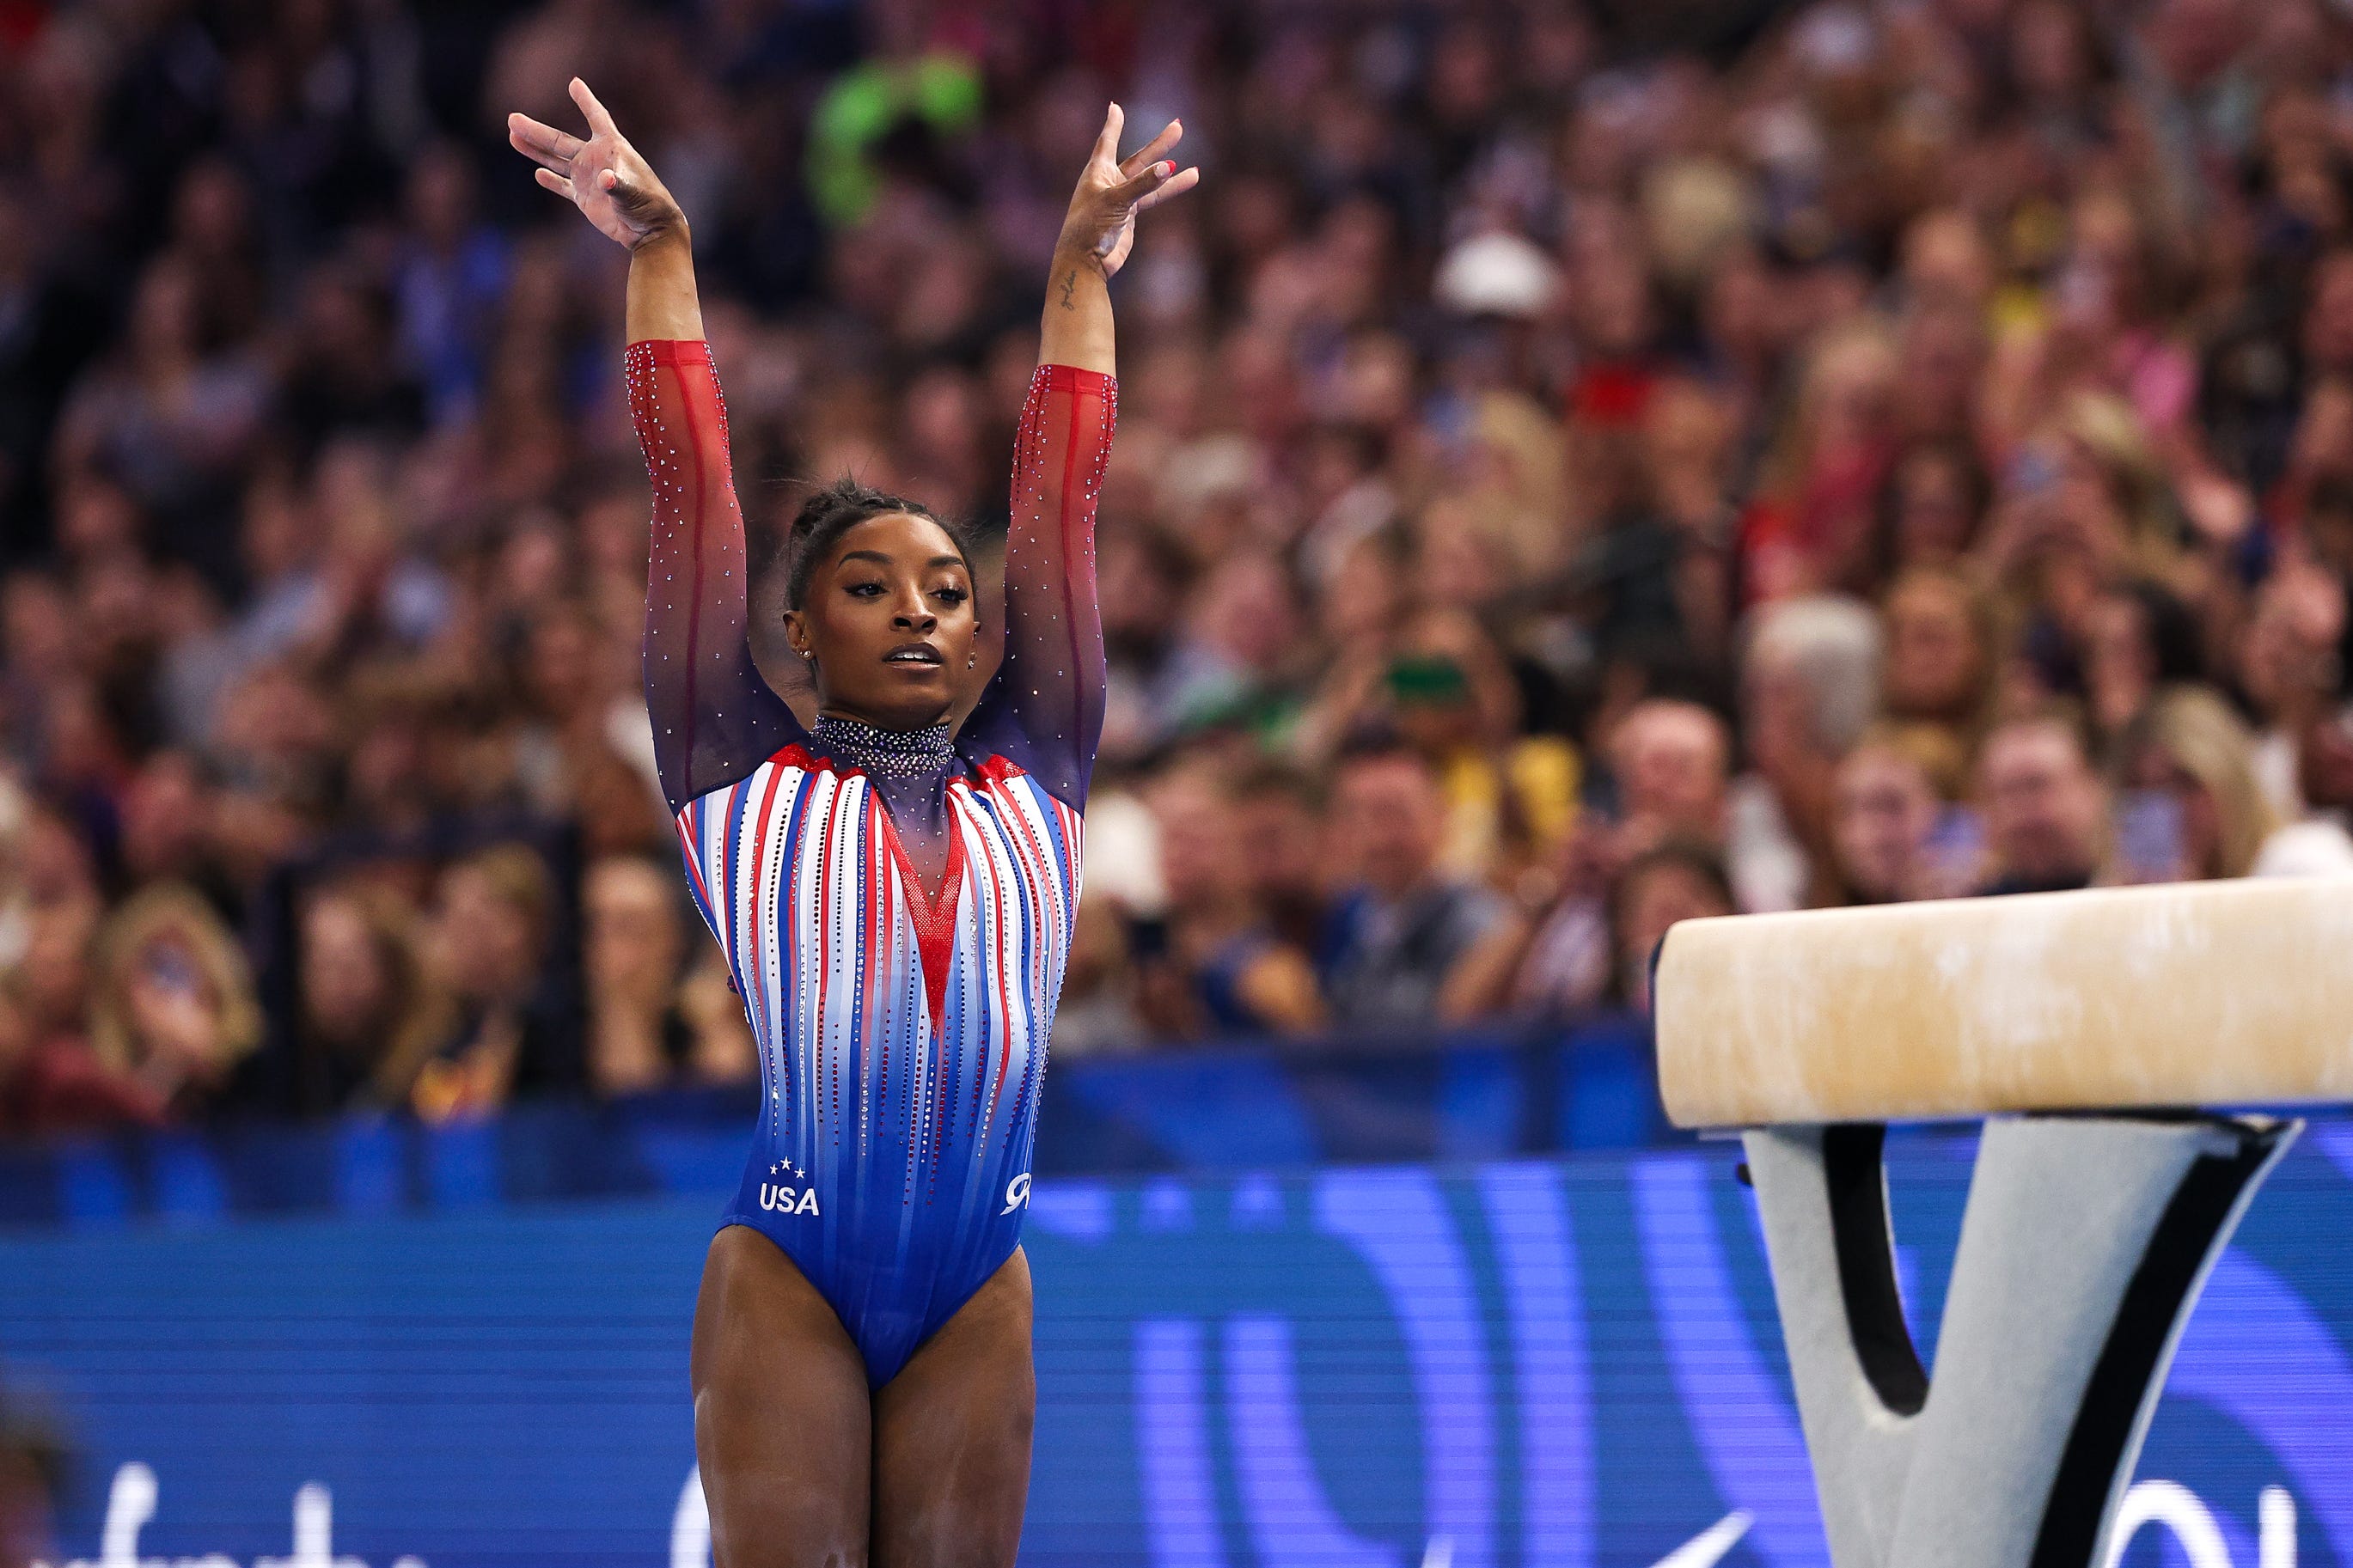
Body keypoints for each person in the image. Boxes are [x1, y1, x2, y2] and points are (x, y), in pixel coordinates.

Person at [508, 80, 1195, 1562]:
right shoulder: (729, 769)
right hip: (792, 1273)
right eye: (871, 587)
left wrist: (1078, 269)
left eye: (946, 590)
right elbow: (689, 487)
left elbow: (1061, 503)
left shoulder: (1043, 765)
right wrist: (658, 254)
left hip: (977, 1280)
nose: (920, 611)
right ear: (798, 633)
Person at [1317, 742, 1519, 1032]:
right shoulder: (1345, 919)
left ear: (1441, 816)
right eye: (1363, 817)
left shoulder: (1483, 925)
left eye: (1397, 815)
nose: (1381, 838)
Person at [1974, 711, 2109, 895]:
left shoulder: (2140, 898)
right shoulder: (1975, 911)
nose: (2023, 808)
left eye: (2036, 785)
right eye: (2008, 792)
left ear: (2090, 790)